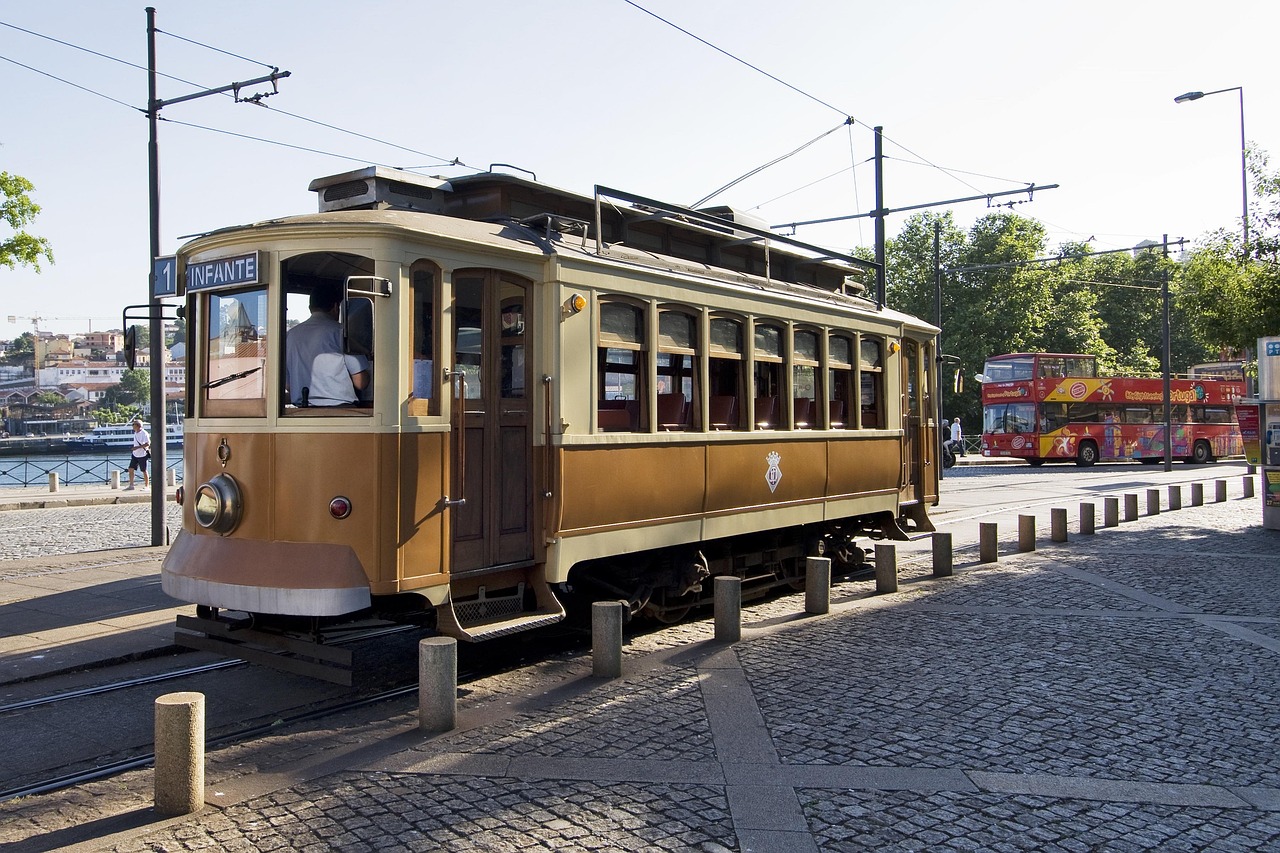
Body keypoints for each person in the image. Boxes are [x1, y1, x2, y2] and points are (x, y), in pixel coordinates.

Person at [285, 286, 371, 406]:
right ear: (336, 307)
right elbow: (361, 382)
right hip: (339, 412)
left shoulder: (290, 335)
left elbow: (288, 385)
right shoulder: (342, 332)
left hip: (302, 412)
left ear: (310, 308)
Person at [125, 419, 149, 490]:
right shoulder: (135, 433)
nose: (132, 426)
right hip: (135, 454)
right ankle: (131, 485)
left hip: (142, 455)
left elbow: (148, 443)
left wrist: (137, 447)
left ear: (138, 426)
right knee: (130, 469)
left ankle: (147, 486)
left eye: (133, 424)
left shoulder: (144, 433)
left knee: (144, 470)